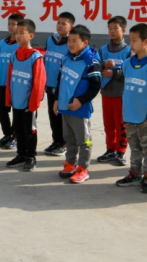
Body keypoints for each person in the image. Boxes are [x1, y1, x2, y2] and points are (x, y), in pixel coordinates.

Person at [115, 23, 147, 194]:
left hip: (145, 116)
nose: (131, 43)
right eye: (130, 40)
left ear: (146, 42)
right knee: (134, 147)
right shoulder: (128, 63)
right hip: (129, 115)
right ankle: (135, 173)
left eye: (134, 40)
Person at [54, 25, 101, 184]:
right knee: (69, 138)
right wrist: (56, 100)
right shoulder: (67, 58)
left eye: (75, 41)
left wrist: (81, 100)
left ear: (85, 42)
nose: (71, 44)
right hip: (65, 108)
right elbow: (60, 80)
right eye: (69, 41)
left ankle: (83, 168)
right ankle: (71, 164)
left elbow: (95, 86)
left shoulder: (91, 62)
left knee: (84, 140)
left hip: (80, 109)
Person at [4, 19, 46, 171]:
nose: (18, 36)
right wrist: (8, 99)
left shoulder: (36, 57)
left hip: (29, 104)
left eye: (22, 33)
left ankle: (31, 157)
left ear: (31, 36)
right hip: (17, 102)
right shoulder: (15, 55)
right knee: (18, 130)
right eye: (17, 33)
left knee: (30, 131)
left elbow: (39, 83)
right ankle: (21, 155)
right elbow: (10, 79)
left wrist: (33, 104)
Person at [97, 16, 132, 166]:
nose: (112, 31)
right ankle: (110, 149)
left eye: (115, 28)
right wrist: (104, 65)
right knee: (108, 124)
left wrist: (114, 73)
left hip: (121, 94)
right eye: (110, 28)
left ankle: (121, 151)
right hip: (106, 93)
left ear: (123, 30)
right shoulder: (103, 49)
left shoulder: (129, 50)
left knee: (121, 124)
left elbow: (131, 71)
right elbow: (95, 67)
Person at [44, 12, 75, 156]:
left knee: (62, 116)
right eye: (59, 22)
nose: (60, 26)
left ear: (71, 27)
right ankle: (56, 141)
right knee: (52, 115)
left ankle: (64, 143)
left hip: (62, 87)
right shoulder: (50, 41)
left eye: (64, 23)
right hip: (49, 85)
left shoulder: (71, 44)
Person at [0, 13, 24, 150]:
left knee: (17, 112)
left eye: (15, 24)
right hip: (3, 84)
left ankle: (16, 137)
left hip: (16, 85)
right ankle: (8, 134)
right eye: (10, 24)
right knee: (1, 110)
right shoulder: (2, 43)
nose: (11, 27)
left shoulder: (21, 45)